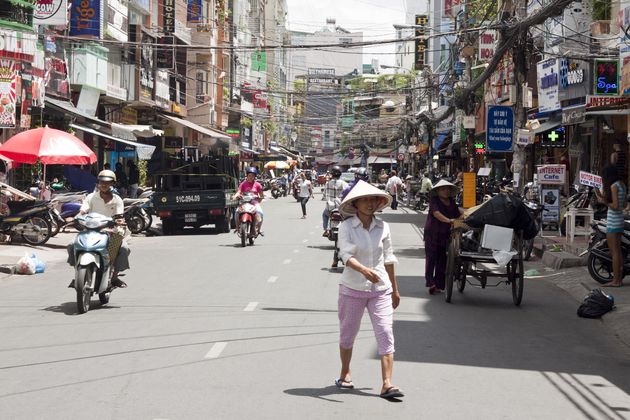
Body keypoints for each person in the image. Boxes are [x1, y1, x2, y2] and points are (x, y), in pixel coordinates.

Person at [335, 180, 403, 399]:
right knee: (348, 334)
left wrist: (394, 289)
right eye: (364, 200)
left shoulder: (383, 227)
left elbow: (389, 258)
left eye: (372, 199)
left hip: (381, 288)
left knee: (385, 332)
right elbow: (345, 255)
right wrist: (364, 270)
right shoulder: (346, 227)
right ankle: (345, 372)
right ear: (355, 204)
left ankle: (387, 383)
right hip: (352, 287)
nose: (369, 203)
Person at [67, 170, 130, 289]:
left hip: (110, 231)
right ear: (98, 183)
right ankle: (78, 273)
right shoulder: (91, 197)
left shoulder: (117, 200)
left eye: (107, 182)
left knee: (123, 248)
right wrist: (75, 218)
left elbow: (120, 216)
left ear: (112, 183)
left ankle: (115, 277)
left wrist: (119, 222)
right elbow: (83, 210)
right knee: (71, 244)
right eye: (102, 182)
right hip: (90, 230)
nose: (104, 184)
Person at [424, 179, 464, 294]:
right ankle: (431, 283)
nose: (445, 191)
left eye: (447, 189)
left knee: (443, 259)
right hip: (432, 233)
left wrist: (468, 212)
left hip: (446, 234)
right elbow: (436, 214)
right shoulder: (434, 201)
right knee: (431, 258)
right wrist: (449, 220)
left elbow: (458, 211)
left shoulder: (451, 201)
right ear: (437, 191)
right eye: (442, 189)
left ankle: (439, 284)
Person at [595, 164, 627, 287]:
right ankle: (618, 279)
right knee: (617, 251)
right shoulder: (622, 184)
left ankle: (616, 280)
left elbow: (614, 205)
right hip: (619, 219)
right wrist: (600, 195)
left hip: (613, 221)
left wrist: (605, 202)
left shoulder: (613, 186)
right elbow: (623, 204)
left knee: (614, 252)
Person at [233, 167, 265, 232]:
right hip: (244, 202)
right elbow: (239, 192)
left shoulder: (258, 185)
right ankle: (237, 227)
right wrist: (235, 196)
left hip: (254, 202)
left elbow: (261, 195)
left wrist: (258, 200)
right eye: (249, 175)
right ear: (247, 176)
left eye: (252, 176)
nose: (251, 177)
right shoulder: (243, 184)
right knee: (236, 212)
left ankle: (258, 229)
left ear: (255, 176)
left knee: (260, 213)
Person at [323, 166, 348, 237]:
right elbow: (348, 193)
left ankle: (326, 230)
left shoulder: (328, 183)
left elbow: (324, 194)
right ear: (340, 174)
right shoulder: (344, 183)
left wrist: (327, 198)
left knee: (325, 215)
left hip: (330, 207)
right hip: (342, 207)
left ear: (332, 174)